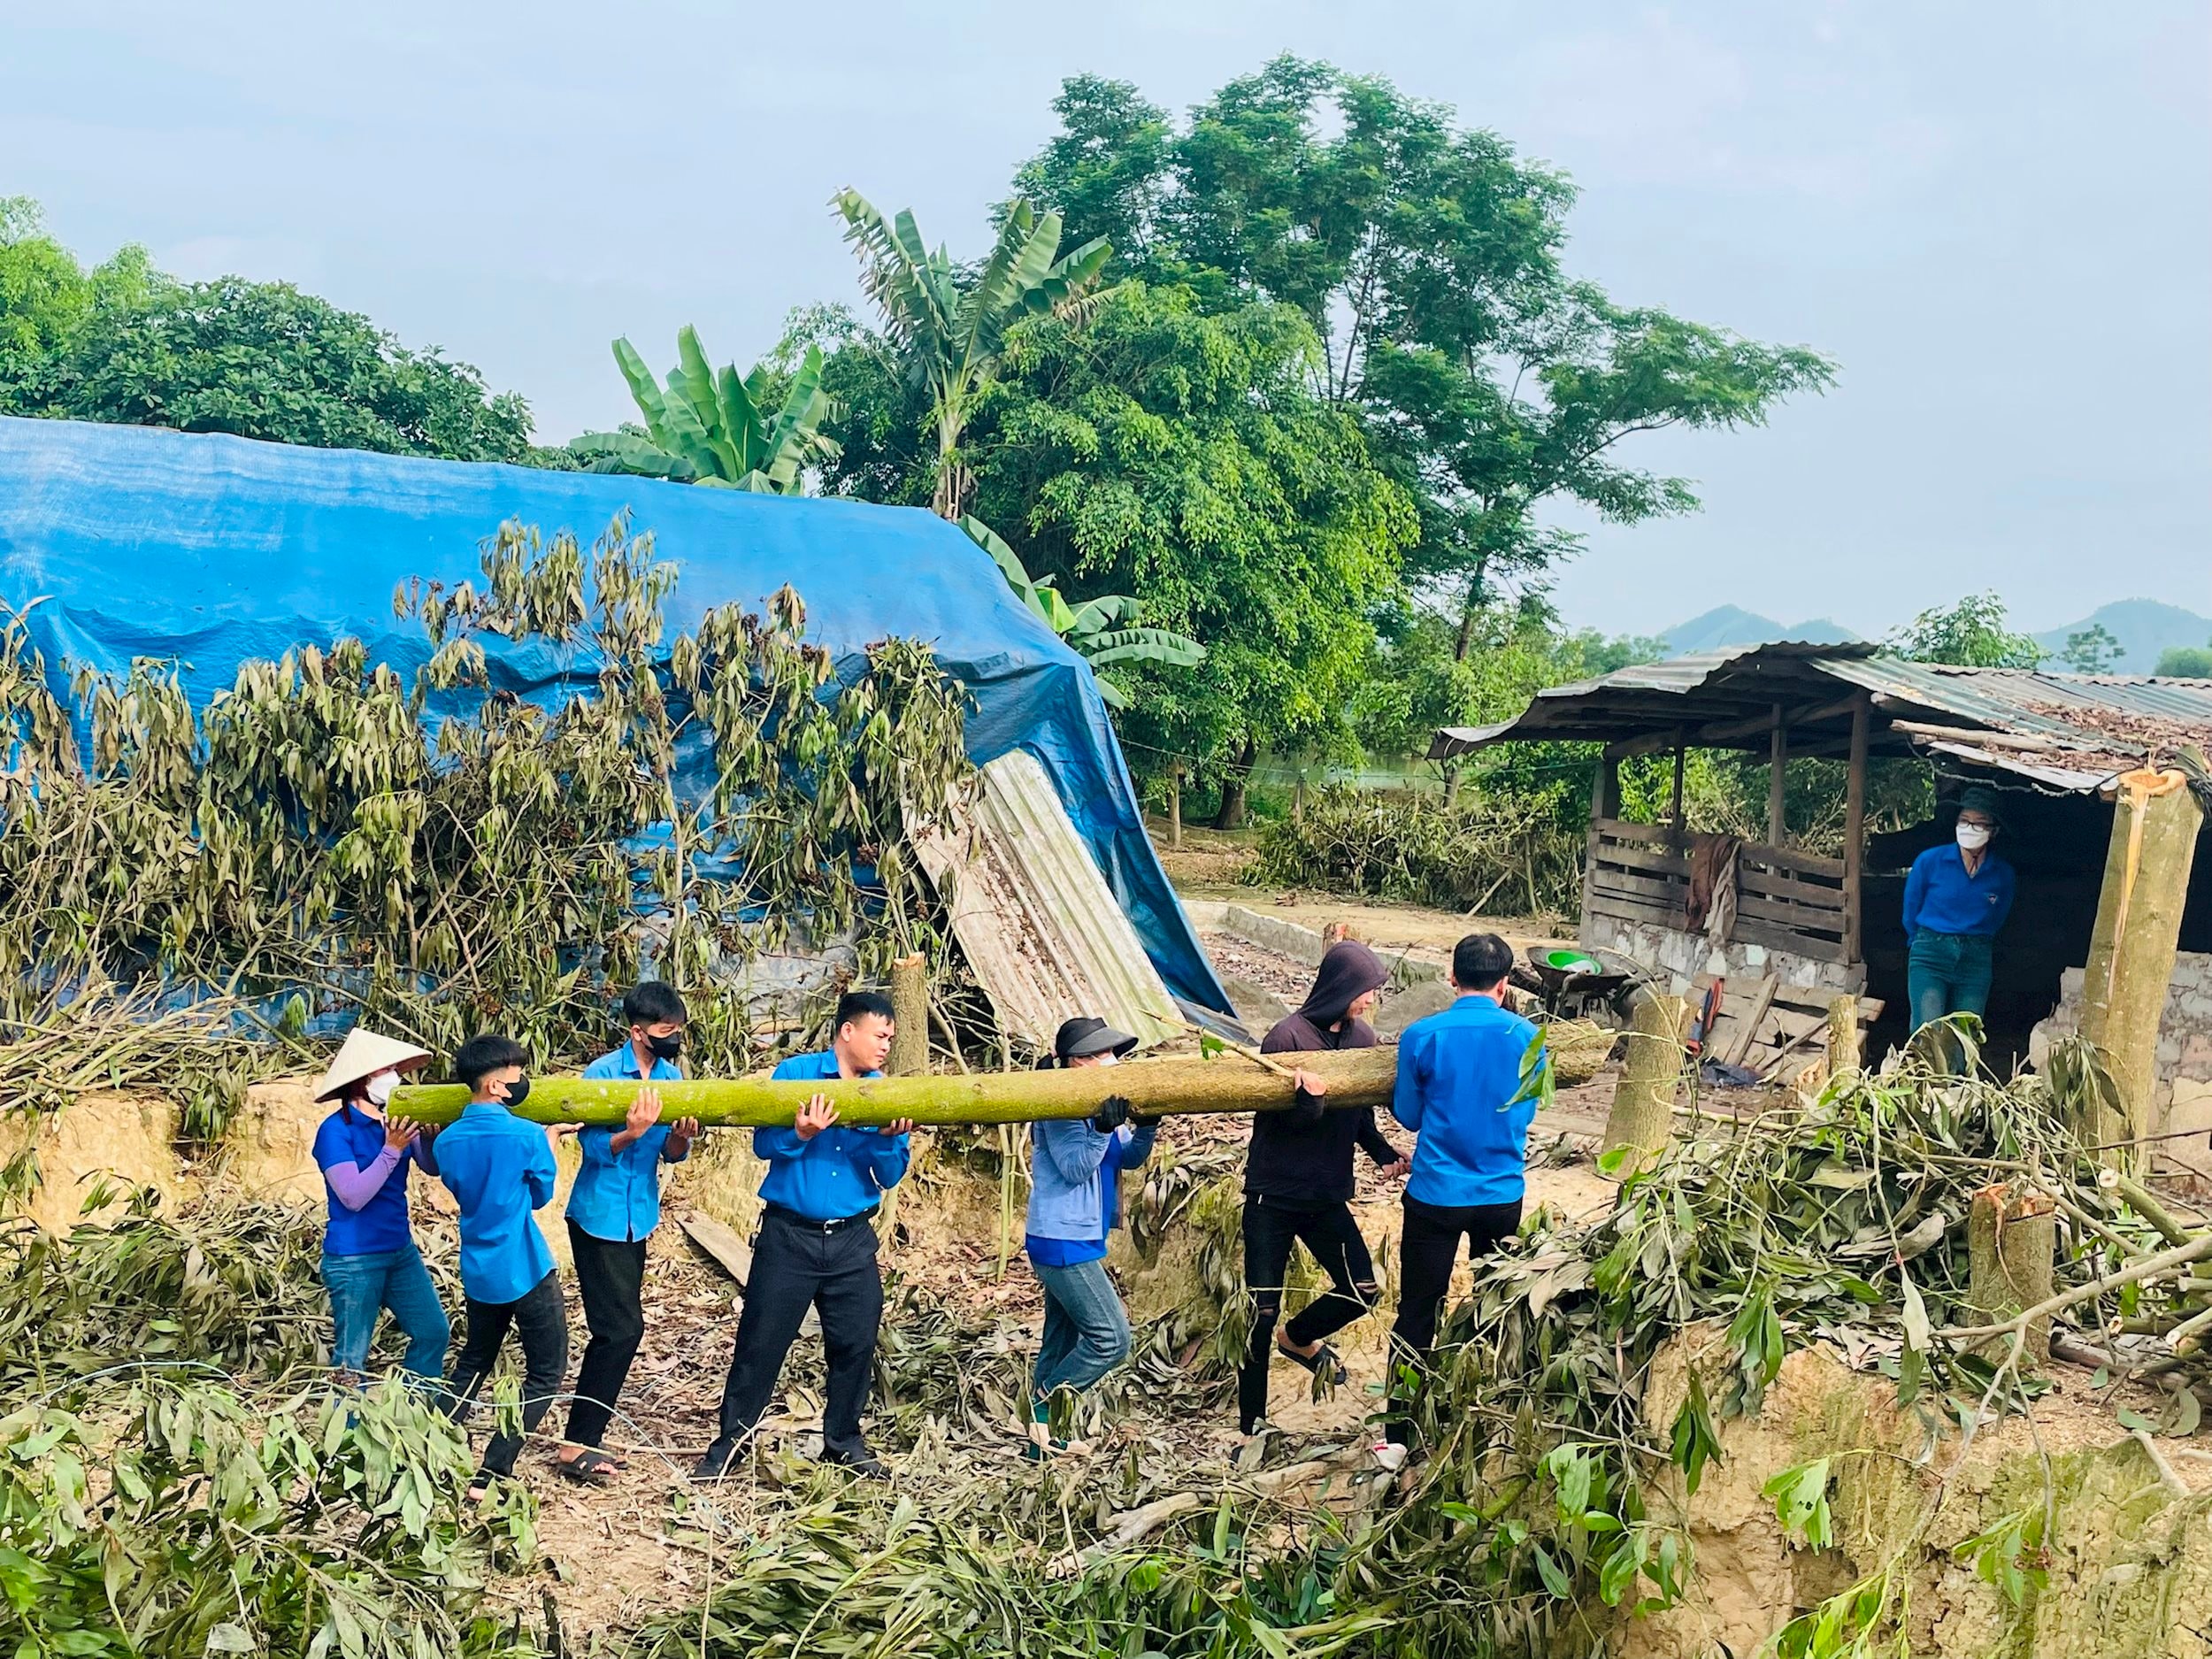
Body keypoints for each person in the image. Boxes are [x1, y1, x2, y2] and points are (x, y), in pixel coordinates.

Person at [694, 991, 914, 1482]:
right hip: (788, 1236)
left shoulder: (887, 1093)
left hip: (852, 1239)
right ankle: (729, 1444)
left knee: (855, 1343)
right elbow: (764, 1144)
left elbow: (891, 1173)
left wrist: (884, 1139)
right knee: (760, 1342)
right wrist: (802, 1133)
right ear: (848, 1032)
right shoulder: (794, 1075)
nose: (885, 1047)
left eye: (890, 1039)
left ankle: (842, 1440)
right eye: (880, 1036)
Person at [1239, 941, 1409, 1436]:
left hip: (1326, 1196)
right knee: (1260, 1311)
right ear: (1340, 988)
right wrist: (1309, 1101)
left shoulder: (1362, 1038)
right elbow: (1285, 1122)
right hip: (1273, 1196)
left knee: (1362, 1290)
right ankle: (1252, 1425)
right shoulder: (1286, 1037)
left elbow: (1357, 1113)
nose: (1369, 1001)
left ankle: (1299, 1340)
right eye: (1365, 991)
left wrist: (1384, 1153)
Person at [1385, 933, 1542, 1451]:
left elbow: (1408, 1115)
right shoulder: (1529, 1037)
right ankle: (1488, 1418)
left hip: (1436, 1191)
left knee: (1417, 1311)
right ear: (1505, 983)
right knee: (1495, 1305)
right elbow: (1528, 1111)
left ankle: (1399, 1434)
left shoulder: (1422, 1034)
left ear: (1452, 977)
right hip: (1500, 1191)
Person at [556, 981, 702, 1485]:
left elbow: (672, 1156)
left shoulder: (672, 1076)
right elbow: (592, 1148)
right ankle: (578, 1445)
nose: (673, 1039)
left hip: (639, 1215)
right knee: (620, 1330)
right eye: (665, 1032)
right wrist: (631, 1131)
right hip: (597, 1217)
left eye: (678, 1031)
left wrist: (679, 1138)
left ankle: (584, 1436)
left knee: (615, 1329)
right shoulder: (601, 1075)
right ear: (637, 1032)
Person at [434, 1033, 577, 1499]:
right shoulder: (526, 1136)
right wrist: (549, 1144)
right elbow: (539, 1197)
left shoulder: (448, 1141)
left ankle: (430, 1448)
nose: (521, 1082)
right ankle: (494, 1471)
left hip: (478, 1266)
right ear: (496, 1086)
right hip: (525, 1266)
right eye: (516, 1075)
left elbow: (462, 1185)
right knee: (545, 1371)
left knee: (474, 1361)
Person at [1024, 1018, 1161, 1455]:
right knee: (1112, 1338)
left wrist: (1148, 1125)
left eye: (1113, 1053)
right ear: (1077, 1062)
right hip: (1060, 1239)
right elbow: (1075, 1167)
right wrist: (1101, 1130)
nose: (1112, 1062)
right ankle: (1045, 1410)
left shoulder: (1100, 1102)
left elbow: (1129, 1157)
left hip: (1079, 1237)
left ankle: (1044, 1442)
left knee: (1060, 1338)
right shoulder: (1058, 1104)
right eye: (1101, 1055)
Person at [310, 1026, 448, 1390]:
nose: (395, 1078)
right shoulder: (335, 1131)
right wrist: (391, 1149)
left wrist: (429, 1138)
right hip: (354, 1258)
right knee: (350, 1359)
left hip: (399, 1250)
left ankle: (414, 1414)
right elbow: (352, 1196)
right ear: (359, 1082)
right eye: (383, 1071)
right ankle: (349, 1436)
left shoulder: (398, 1120)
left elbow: (430, 1166)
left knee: (433, 1331)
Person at [1902, 784, 2016, 1062]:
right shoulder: (1931, 861)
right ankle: (1925, 1093)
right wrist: (1919, 940)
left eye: (1979, 823)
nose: (1970, 828)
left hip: (1976, 957)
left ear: (1993, 831)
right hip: (1930, 952)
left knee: (1967, 1033)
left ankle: (1958, 1095)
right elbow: (1910, 908)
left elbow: (1999, 914)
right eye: (1964, 821)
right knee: (1928, 1030)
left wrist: (1976, 939)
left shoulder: (2002, 873)